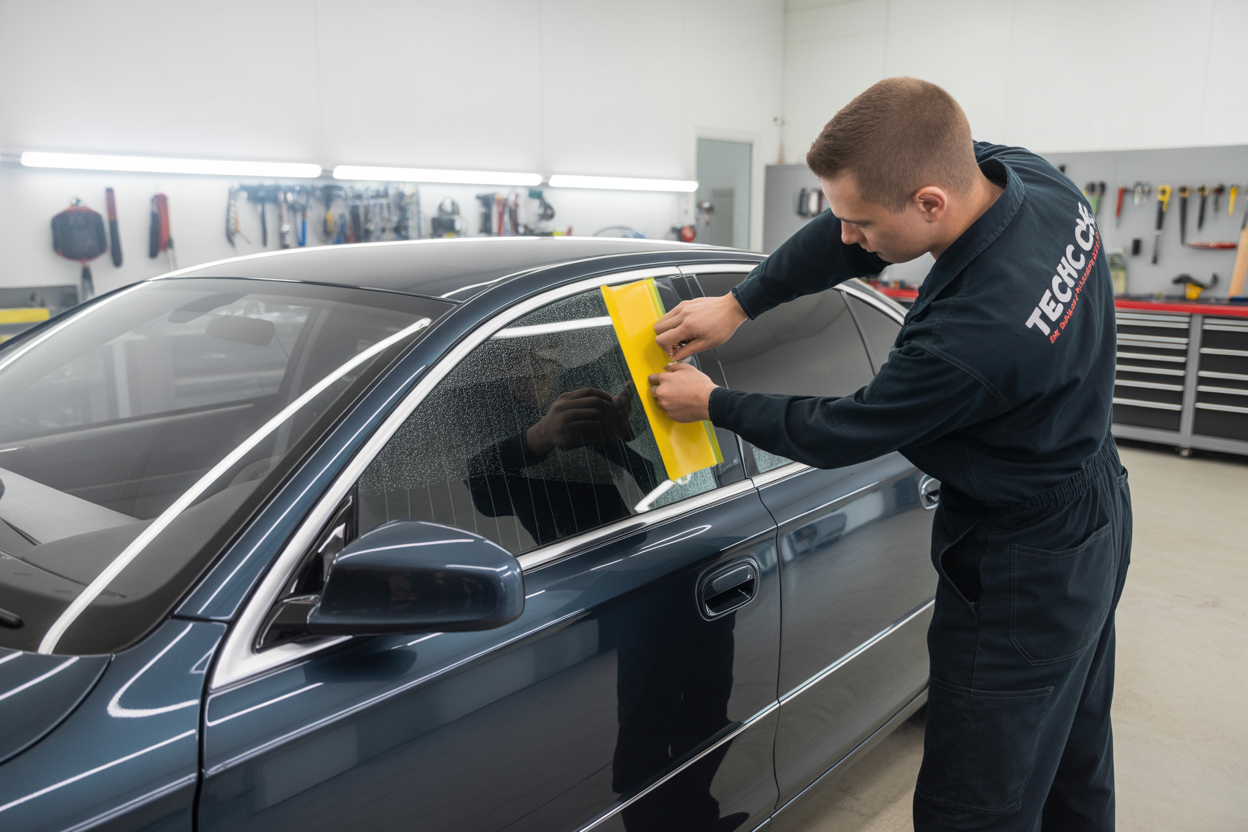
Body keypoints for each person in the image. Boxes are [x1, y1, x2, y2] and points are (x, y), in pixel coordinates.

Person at [647, 77, 1132, 831]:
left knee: (973, 805)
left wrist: (714, 404)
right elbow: (850, 230)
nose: (847, 237)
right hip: (1091, 501)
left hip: (1028, 562)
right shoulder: (1033, 181)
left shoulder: (975, 336)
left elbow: (847, 429)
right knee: (1073, 751)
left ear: (930, 202)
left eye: (861, 222)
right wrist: (740, 303)